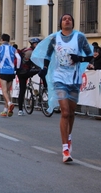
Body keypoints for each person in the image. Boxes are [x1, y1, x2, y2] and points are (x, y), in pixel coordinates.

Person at [31, 14, 93, 163]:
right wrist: (45, 68)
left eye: (69, 18)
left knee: (71, 112)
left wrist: (80, 59)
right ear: (60, 23)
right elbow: (48, 55)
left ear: (72, 22)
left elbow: (90, 55)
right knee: (65, 111)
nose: (67, 20)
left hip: (74, 79)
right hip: (59, 78)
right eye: (64, 19)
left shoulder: (79, 37)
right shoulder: (54, 38)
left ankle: (69, 137)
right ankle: (65, 148)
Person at [0, 33, 20, 117]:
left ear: (2, 40)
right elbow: (19, 58)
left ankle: (10, 103)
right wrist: (16, 68)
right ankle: (5, 110)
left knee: (4, 91)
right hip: (11, 72)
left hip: (3, 71)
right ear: (9, 40)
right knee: (7, 91)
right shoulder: (13, 49)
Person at [16, 38, 41, 116]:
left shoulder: (26, 50)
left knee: (22, 90)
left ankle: (20, 110)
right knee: (42, 71)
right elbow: (36, 63)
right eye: (37, 44)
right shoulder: (31, 52)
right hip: (24, 72)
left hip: (20, 72)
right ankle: (43, 88)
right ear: (33, 44)